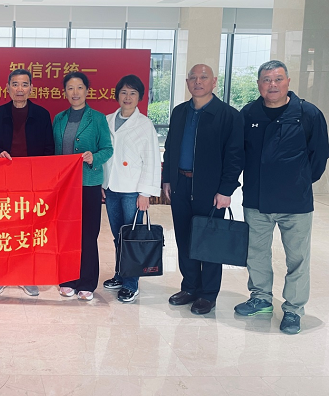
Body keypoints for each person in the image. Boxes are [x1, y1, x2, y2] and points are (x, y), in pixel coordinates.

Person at [234, 60, 328, 334]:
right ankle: (261, 298)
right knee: (256, 254)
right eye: (266, 80)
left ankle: (294, 310)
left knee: (297, 258)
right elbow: (238, 153)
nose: (272, 85)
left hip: (295, 203)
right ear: (258, 84)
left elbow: (319, 155)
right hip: (257, 200)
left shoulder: (308, 113)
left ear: (288, 81)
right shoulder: (248, 113)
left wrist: (300, 180)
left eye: (277, 79)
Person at [162, 64, 243, 315]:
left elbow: (235, 156)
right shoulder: (179, 112)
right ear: (187, 82)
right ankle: (189, 287)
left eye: (204, 77)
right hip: (180, 184)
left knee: (209, 241)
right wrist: (167, 179)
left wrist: (226, 190)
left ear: (214, 81)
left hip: (211, 189)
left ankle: (208, 294)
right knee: (184, 238)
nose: (198, 82)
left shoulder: (228, 115)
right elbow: (170, 148)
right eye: (193, 78)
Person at [0, 68, 55, 297]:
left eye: (24, 84)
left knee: (28, 229)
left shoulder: (42, 114)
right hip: (3, 181)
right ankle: (1, 275)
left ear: (31, 88)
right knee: (3, 228)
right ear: (7, 87)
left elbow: (49, 149)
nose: (19, 89)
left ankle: (26, 276)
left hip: (31, 183)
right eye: (15, 84)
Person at [52, 72, 113, 301]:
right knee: (67, 234)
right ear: (64, 92)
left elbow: (107, 149)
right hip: (65, 186)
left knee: (88, 234)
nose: (75, 92)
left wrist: (93, 157)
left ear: (87, 91)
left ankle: (87, 281)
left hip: (88, 184)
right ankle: (68, 278)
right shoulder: (59, 119)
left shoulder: (97, 119)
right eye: (70, 88)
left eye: (79, 87)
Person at [102, 74, 161, 303]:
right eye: (124, 92)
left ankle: (131, 284)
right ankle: (120, 274)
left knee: (132, 237)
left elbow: (151, 160)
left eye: (133, 93)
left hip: (132, 191)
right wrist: (102, 183)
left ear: (140, 97)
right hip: (112, 188)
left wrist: (145, 193)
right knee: (118, 235)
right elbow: (105, 155)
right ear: (117, 95)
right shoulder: (107, 120)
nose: (127, 97)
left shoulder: (144, 125)